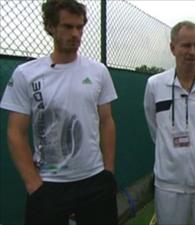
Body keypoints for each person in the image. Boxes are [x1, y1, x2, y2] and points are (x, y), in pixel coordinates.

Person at [0, 0, 118, 224]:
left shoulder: (98, 71)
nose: (76, 34)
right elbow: (16, 132)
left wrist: (108, 172)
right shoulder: (26, 74)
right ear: (51, 27)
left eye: (80, 27)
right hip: (47, 185)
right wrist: (33, 184)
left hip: (94, 181)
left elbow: (106, 122)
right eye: (67, 26)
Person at [143, 21, 195, 225]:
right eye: (186, 45)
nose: (193, 52)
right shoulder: (155, 84)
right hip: (168, 184)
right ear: (173, 48)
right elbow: (155, 128)